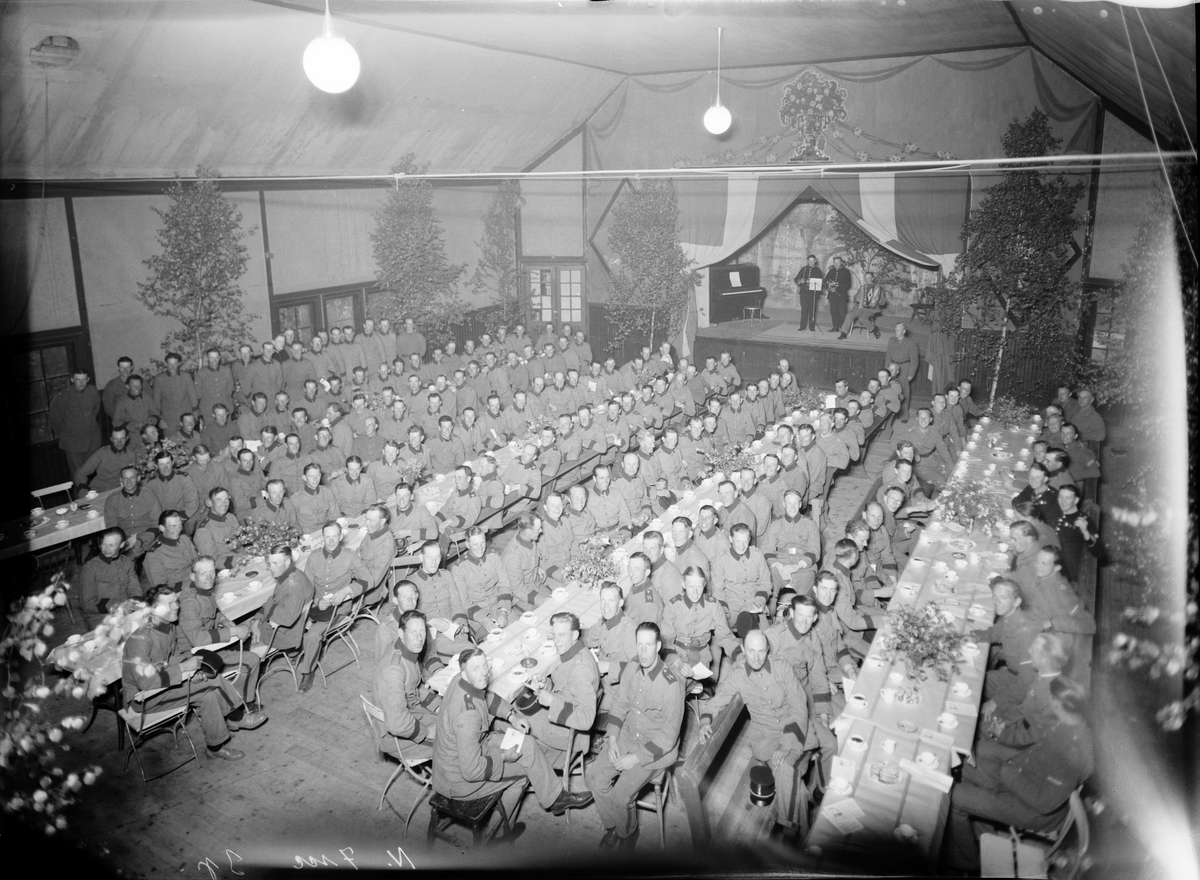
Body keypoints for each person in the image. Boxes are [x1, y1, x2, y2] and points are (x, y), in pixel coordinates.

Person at [431, 647, 594, 823]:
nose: (484, 673)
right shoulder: (467, 717)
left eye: (484, 666)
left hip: (475, 749)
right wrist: (503, 757)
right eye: (476, 669)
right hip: (458, 780)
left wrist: (511, 716)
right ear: (464, 673)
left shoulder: (462, 680)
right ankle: (501, 829)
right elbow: (472, 771)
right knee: (524, 771)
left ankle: (557, 799)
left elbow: (487, 697)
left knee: (527, 744)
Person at [946, 679, 1093, 872]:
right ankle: (982, 831)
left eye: (1051, 698)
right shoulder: (1071, 723)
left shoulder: (1073, 754)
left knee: (952, 797)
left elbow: (1043, 803)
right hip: (1022, 774)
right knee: (959, 766)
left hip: (1032, 809)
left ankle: (968, 860)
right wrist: (1008, 764)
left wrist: (1007, 772)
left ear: (1057, 705)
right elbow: (1038, 753)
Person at [122, 585, 267, 762]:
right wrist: (183, 669)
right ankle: (237, 717)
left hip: (163, 682)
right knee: (213, 681)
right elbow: (144, 682)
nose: (176, 606)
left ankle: (215, 748)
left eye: (175, 601)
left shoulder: (166, 626)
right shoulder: (141, 640)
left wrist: (192, 669)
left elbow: (172, 657)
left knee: (208, 696)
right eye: (169, 604)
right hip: (145, 697)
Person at [700, 628, 815, 830]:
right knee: (786, 769)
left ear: (768, 649)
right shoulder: (738, 676)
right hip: (766, 737)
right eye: (751, 651)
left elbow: (799, 705)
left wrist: (786, 744)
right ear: (743, 649)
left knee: (791, 774)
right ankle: (793, 830)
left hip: (793, 727)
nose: (756, 657)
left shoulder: (781, 666)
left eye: (761, 651)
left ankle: (792, 829)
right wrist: (704, 721)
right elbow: (717, 700)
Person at [585, 622, 684, 851]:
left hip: (656, 749)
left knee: (620, 797)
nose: (643, 652)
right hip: (628, 735)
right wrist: (612, 738)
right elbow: (619, 704)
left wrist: (635, 758)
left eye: (649, 645)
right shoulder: (632, 667)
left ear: (658, 646)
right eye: (640, 645)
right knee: (594, 778)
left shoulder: (671, 684)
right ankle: (614, 826)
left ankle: (628, 834)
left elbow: (668, 737)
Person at [177, 555, 262, 706]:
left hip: (206, 648)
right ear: (192, 576)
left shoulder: (203, 589)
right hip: (192, 656)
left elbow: (213, 612)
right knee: (251, 660)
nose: (209, 577)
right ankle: (241, 705)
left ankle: (238, 698)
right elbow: (197, 638)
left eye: (212, 572)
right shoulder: (189, 602)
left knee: (246, 646)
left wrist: (223, 620)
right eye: (203, 574)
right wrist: (233, 631)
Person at [298, 521, 371, 692]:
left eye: (334, 537)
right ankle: (298, 651)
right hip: (316, 606)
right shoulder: (314, 557)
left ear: (340, 537)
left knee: (312, 635)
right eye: (327, 537)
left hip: (339, 608)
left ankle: (307, 672)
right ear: (322, 538)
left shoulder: (350, 556)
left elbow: (368, 579)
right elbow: (307, 588)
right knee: (290, 618)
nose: (331, 541)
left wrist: (346, 590)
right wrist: (317, 601)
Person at [527, 612, 601, 761]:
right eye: (554, 635)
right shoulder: (576, 652)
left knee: (508, 719)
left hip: (569, 733)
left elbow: (585, 719)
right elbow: (565, 687)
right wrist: (547, 684)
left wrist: (552, 701)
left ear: (574, 635)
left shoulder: (581, 669)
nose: (556, 641)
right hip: (565, 718)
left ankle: (529, 765)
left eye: (561, 635)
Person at [660, 566, 738, 695]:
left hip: (701, 660)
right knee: (671, 687)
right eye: (691, 586)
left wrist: (738, 654)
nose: (695, 592)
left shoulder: (713, 605)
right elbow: (666, 641)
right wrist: (678, 662)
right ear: (683, 584)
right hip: (677, 655)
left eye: (699, 587)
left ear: (705, 585)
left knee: (678, 689)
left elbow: (726, 637)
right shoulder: (673, 606)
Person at [373, 608, 442, 749]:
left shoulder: (408, 652)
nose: (419, 638)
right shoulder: (393, 670)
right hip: (397, 737)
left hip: (413, 716)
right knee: (456, 743)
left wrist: (438, 705)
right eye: (413, 632)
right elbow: (397, 723)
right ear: (401, 633)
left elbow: (413, 687)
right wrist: (428, 731)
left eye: (422, 631)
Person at [250, 544, 314, 658]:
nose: (271, 568)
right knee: (251, 623)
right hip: (282, 625)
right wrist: (257, 619)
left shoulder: (294, 585)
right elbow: (274, 601)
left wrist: (260, 619)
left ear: (287, 562)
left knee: (243, 637)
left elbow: (286, 619)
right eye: (270, 563)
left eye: (275, 563)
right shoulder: (290, 575)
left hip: (284, 634)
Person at [78, 527, 143, 627]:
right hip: (101, 617)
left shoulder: (127, 562)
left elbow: (135, 589)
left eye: (111, 545)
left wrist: (134, 603)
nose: (106, 549)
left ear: (121, 545)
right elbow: (88, 603)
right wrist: (120, 606)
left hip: (126, 612)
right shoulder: (89, 568)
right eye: (104, 544)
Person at [49, 368, 103, 473]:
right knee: (79, 475)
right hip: (73, 444)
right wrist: (68, 433)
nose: (81, 382)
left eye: (84, 379)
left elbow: (95, 411)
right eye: (78, 379)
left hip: (93, 441)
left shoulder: (93, 391)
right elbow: (55, 420)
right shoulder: (63, 397)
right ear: (72, 380)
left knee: (95, 473)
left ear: (88, 379)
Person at [104, 466, 163, 559]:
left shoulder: (149, 495)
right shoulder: (112, 500)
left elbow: (156, 524)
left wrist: (142, 540)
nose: (129, 482)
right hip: (123, 544)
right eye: (125, 478)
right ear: (121, 480)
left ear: (138, 478)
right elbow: (112, 528)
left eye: (132, 477)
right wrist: (125, 544)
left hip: (148, 541)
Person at [144, 509, 198, 593]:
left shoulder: (184, 539)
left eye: (180, 525)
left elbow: (197, 562)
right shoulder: (154, 554)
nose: (178, 529)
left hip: (197, 582)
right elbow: (161, 588)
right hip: (178, 592)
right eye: (173, 526)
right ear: (162, 528)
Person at [73, 425, 139, 493]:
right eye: (116, 439)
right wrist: (83, 491)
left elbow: (137, 476)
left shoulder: (132, 454)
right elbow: (80, 474)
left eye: (122, 438)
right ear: (111, 439)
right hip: (101, 491)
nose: (119, 442)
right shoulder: (101, 453)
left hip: (121, 492)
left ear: (127, 438)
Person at [152, 353, 199, 432]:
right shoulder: (159, 379)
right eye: (169, 364)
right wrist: (159, 419)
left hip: (186, 417)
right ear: (166, 364)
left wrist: (195, 415)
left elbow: (193, 397)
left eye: (174, 364)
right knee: (170, 439)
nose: (172, 367)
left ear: (179, 363)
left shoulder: (186, 377)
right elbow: (156, 401)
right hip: (168, 419)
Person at [839, 271, 884, 339]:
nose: (867, 280)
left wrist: (879, 300)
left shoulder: (878, 289)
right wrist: (857, 298)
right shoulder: (862, 288)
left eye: (869, 278)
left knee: (862, 318)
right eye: (866, 278)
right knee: (849, 315)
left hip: (870, 309)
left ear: (872, 278)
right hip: (859, 307)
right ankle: (843, 333)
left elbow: (883, 302)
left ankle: (874, 329)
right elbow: (855, 298)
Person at [793, 254, 824, 332]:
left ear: (815, 261)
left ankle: (811, 326)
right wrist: (799, 281)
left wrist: (808, 281)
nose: (811, 263)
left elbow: (820, 281)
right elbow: (796, 279)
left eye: (812, 261)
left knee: (812, 310)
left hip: (813, 293)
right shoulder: (804, 269)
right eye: (809, 261)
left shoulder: (818, 270)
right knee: (804, 309)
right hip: (804, 292)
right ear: (807, 261)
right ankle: (802, 326)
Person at [823, 256, 852, 333]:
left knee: (842, 313)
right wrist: (829, 287)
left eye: (838, 262)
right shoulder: (831, 271)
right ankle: (835, 327)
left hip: (841, 296)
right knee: (833, 312)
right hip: (832, 295)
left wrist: (836, 284)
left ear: (841, 263)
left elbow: (848, 284)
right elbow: (825, 281)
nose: (836, 264)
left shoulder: (846, 271)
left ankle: (843, 329)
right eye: (835, 262)